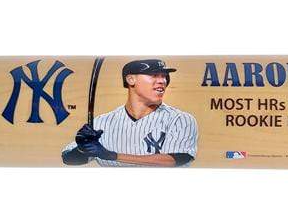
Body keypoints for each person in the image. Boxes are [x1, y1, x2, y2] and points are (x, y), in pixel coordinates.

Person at [62, 59, 198, 167]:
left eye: (164, 76)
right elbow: (68, 159)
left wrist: (113, 156)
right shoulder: (102, 122)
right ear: (131, 79)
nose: (162, 80)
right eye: (154, 75)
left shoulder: (179, 119)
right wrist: (82, 149)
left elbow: (177, 159)